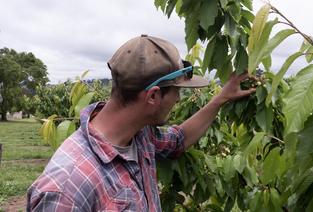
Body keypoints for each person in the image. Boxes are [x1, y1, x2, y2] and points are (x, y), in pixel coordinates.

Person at [27, 34, 255, 211]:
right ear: (153, 96)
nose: (178, 98)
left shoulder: (140, 136)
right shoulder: (66, 189)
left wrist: (221, 98)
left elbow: (178, 140)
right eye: (176, 91)